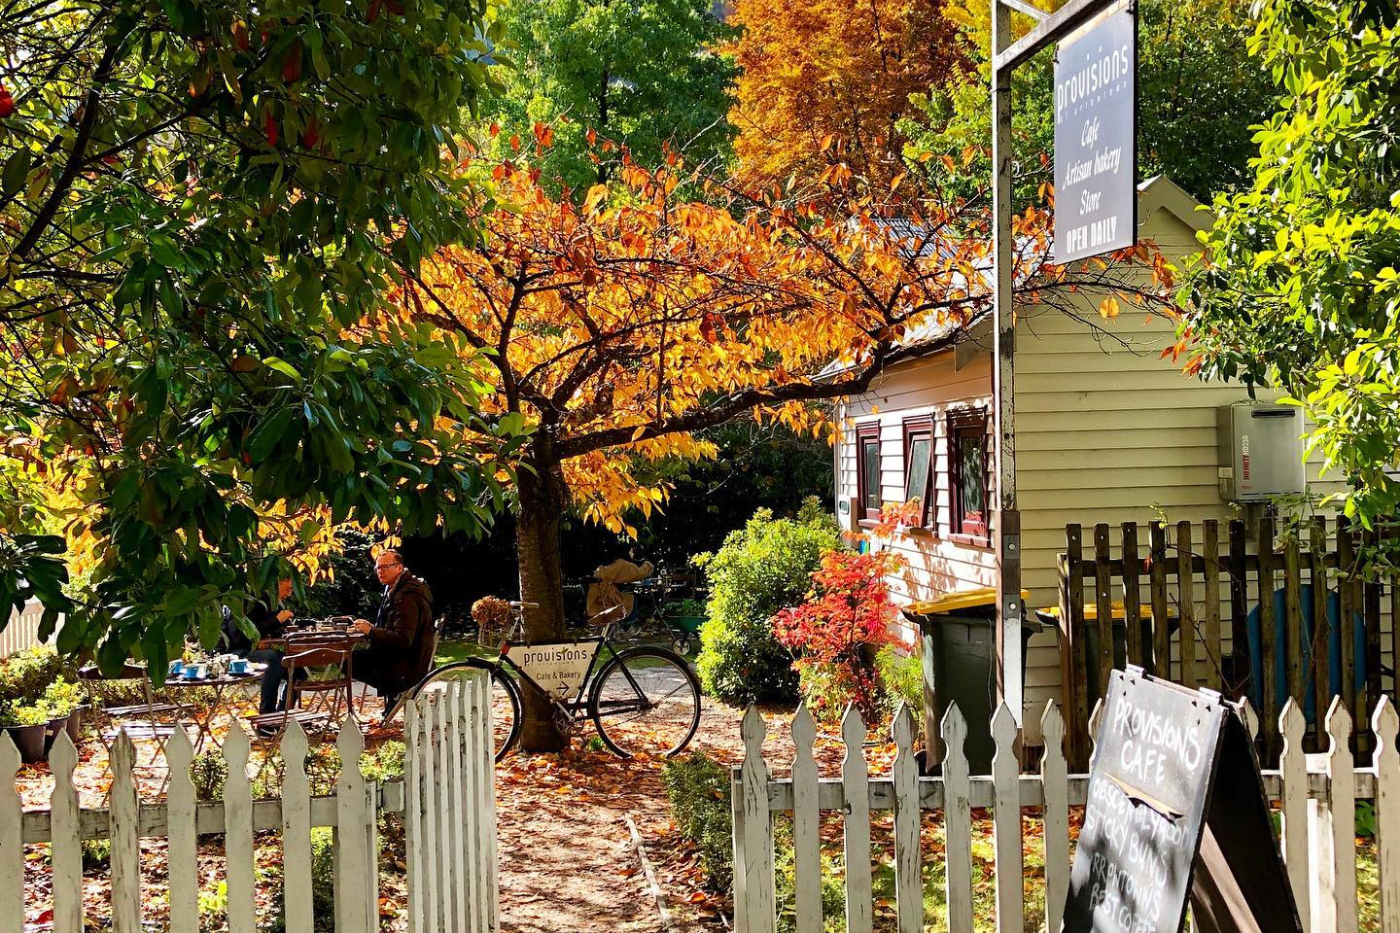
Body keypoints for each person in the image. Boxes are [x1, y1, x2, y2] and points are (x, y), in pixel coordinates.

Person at [351, 550, 434, 716]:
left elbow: (403, 639)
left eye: (385, 567)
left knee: (348, 660)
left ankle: (395, 690)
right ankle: (393, 695)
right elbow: (394, 627)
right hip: (408, 658)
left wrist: (371, 631)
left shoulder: (407, 595)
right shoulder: (397, 589)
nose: (380, 571)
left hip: (407, 665)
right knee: (353, 658)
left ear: (399, 568)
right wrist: (371, 628)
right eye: (378, 568)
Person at [221, 578, 297, 715]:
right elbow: (240, 636)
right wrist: (277, 620)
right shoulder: (247, 601)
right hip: (233, 654)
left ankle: (284, 714)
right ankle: (267, 716)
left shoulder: (273, 603)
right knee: (274, 658)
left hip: (251, 649)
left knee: (297, 664)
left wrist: (268, 635)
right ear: (276, 583)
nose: (289, 594)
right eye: (288, 589)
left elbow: (279, 628)